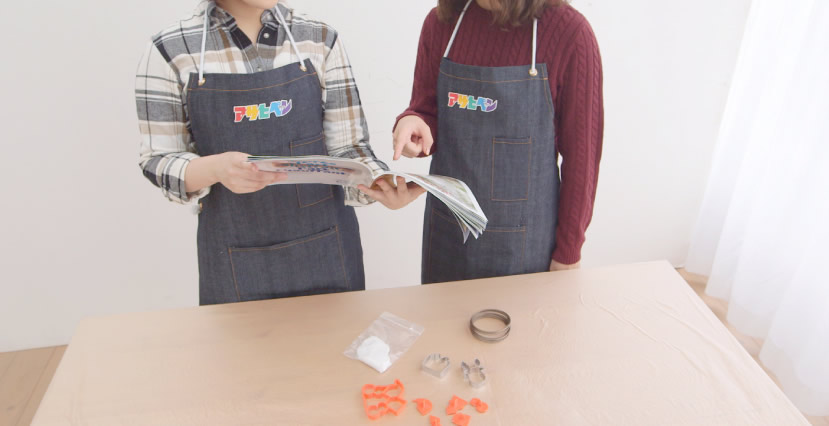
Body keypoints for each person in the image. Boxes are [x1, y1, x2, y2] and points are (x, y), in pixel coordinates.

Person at [135, 0, 421, 304]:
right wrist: (216, 168)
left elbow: (349, 148)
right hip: (233, 260)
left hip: (327, 250)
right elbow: (159, 160)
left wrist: (379, 184)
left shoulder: (319, 38)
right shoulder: (170, 50)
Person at [393, 0, 603, 283]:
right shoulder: (442, 23)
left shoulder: (569, 32)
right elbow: (426, 111)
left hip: (526, 249)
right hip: (448, 236)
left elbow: (582, 158)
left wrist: (568, 252)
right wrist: (412, 123)